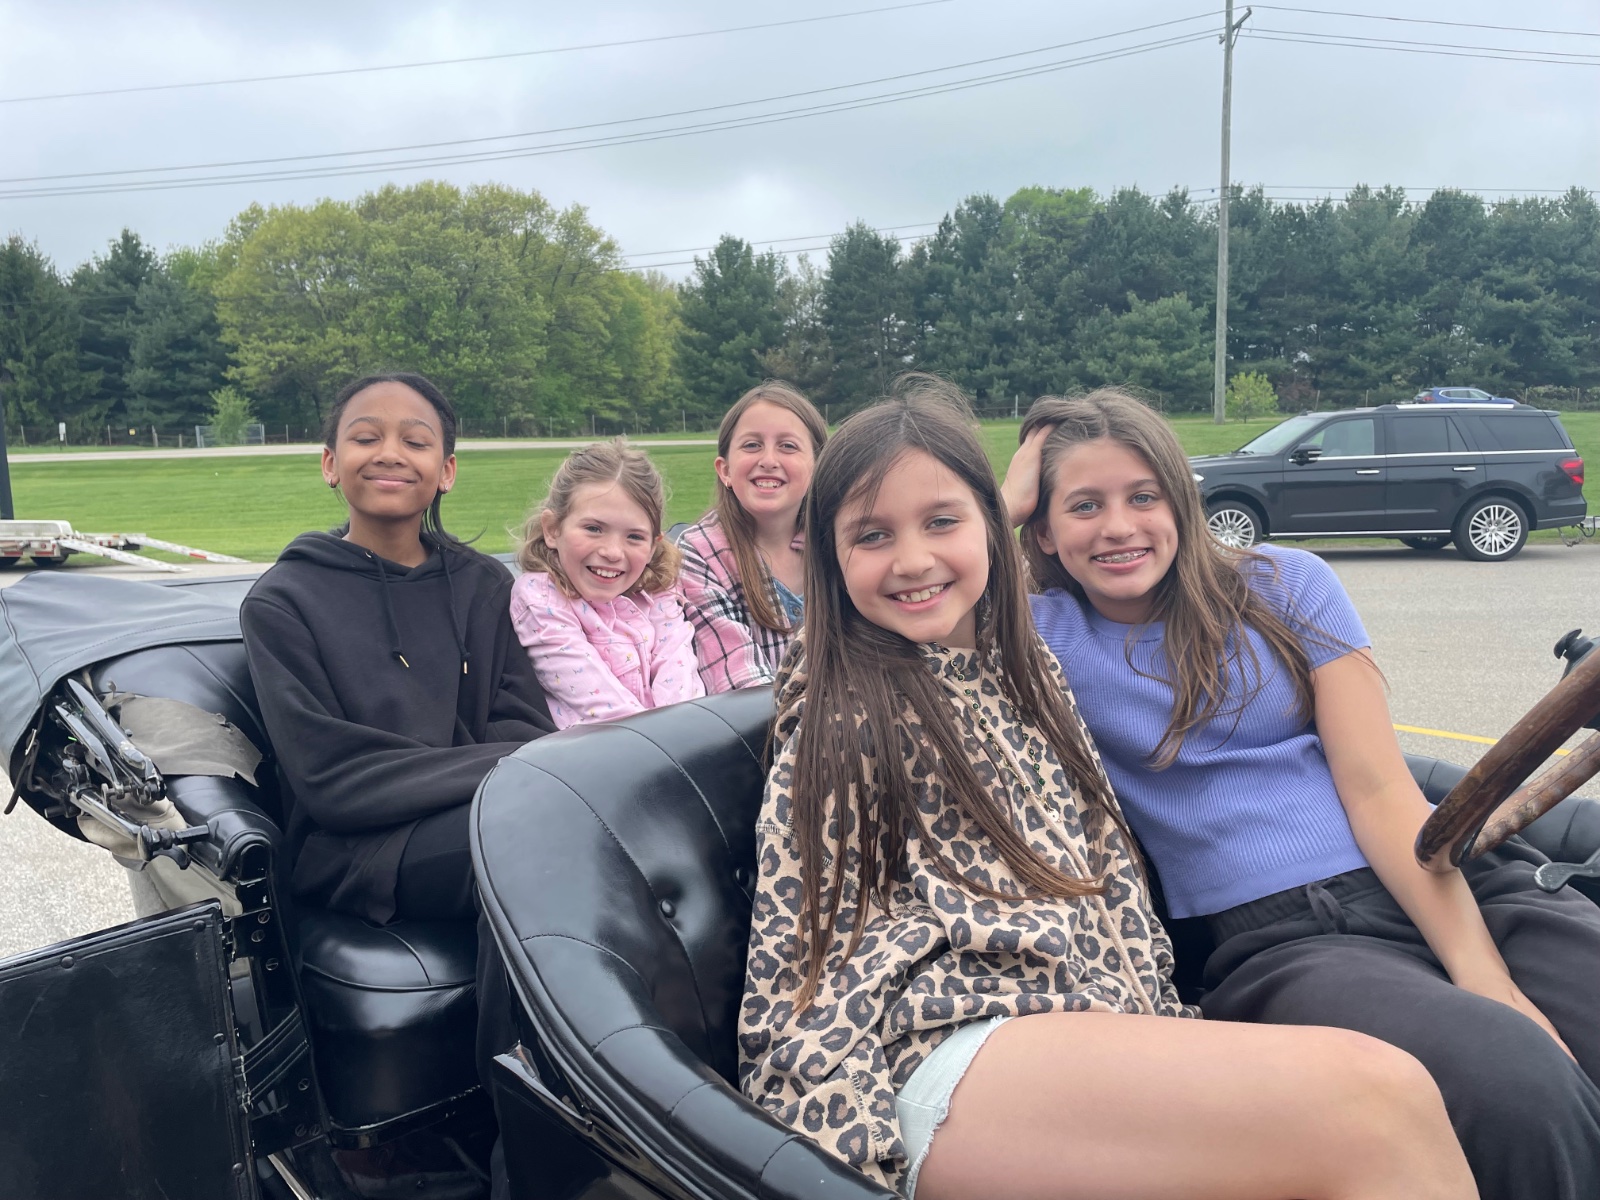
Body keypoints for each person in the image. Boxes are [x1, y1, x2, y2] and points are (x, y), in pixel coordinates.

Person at [739, 374, 1473, 1200]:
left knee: (1386, 1108)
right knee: (1379, 1099)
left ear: (989, 530)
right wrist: (833, 1157)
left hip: (1078, 1022)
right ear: (830, 561)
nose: (912, 559)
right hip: (939, 1051)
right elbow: (794, 966)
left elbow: (1104, 888)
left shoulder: (1024, 670)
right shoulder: (840, 708)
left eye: (942, 521)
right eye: (871, 536)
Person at [1005, 387, 1600, 1200]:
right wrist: (1009, 495)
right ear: (1042, 530)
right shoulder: (1039, 635)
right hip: (1285, 940)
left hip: (1439, 871)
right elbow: (899, 597)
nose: (1118, 526)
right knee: (1518, 1087)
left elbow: (1377, 786)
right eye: (1083, 505)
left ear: (1181, 502)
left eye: (1144, 496)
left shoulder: (1287, 584)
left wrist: (1484, 973)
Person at [241, 372, 556, 927]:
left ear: (446, 471)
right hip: (357, 851)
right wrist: (503, 773)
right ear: (330, 464)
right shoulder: (281, 604)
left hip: (490, 809)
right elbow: (334, 780)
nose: (390, 453)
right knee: (523, 845)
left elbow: (526, 729)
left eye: (415, 441)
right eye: (366, 438)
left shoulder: (483, 586)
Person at [510, 439, 704, 728]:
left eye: (634, 537)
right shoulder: (540, 598)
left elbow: (681, 682)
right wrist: (671, 741)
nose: (613, 552)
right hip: (599, 752)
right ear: (552, 529)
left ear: (653, 546)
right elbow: (604, 708)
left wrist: (683, 737)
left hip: (668, 746)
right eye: (594, 529)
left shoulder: (658, 593)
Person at [677, 381, 825, 693]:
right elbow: (739, 682)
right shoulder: (699, 553)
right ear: (725, 470)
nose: (768, 459)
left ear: (817, 467)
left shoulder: (837, 540)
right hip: (763, 721)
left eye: (788, 446)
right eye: (752, 445)